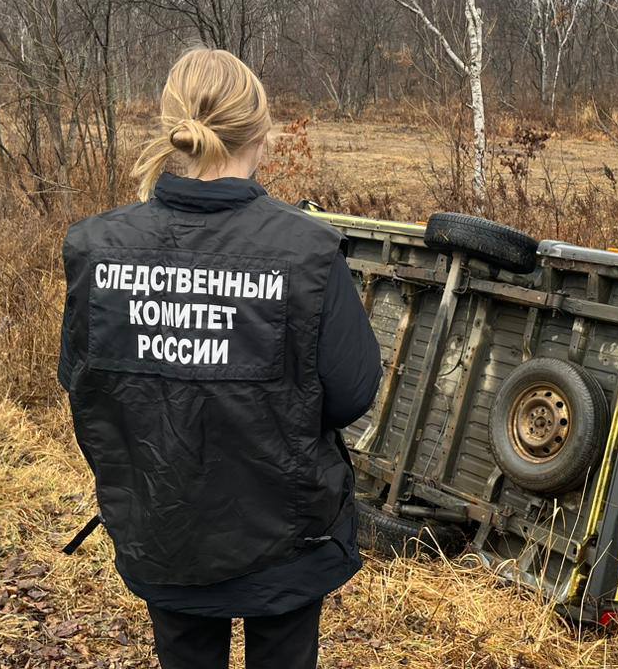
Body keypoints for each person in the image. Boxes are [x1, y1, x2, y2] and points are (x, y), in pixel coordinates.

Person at [58, 47, 382, 669]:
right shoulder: (306, 253)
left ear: (171, 127)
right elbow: (351, 393)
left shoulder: (98, 247)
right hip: (286, 534)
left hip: (162, 520)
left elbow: (81, 380)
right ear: (260, 133)